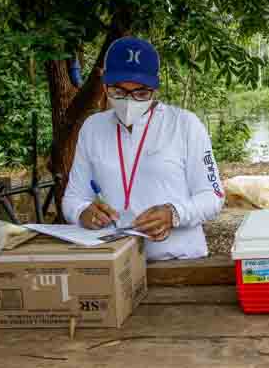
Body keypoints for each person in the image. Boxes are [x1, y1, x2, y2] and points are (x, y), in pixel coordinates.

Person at [62, 37, 224, 260]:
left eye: (141, 93)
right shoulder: (93, 128)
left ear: (155, 87)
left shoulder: (185, 124)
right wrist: (82, 212)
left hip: (179, 261)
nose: (129, 101)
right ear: (104, 84)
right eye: (118, 92)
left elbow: (213, 196)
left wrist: (174, 214)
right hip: (115, 262)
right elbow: (72, 198)